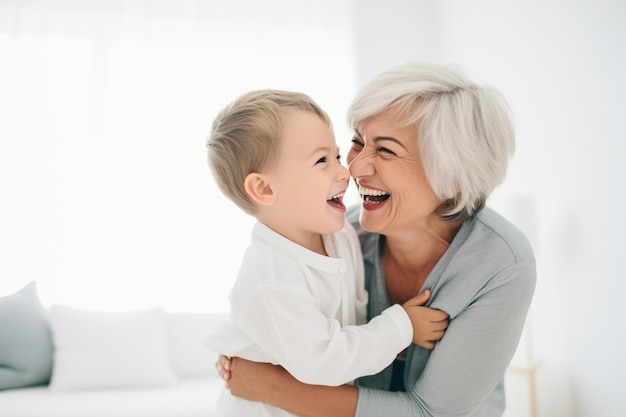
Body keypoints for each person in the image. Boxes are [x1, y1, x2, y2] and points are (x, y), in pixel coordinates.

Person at [216, 63, 537, 417]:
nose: (353, 168)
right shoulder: (341, 233)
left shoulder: (501, 263)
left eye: (385, 150)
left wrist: (271, 386)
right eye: (357, 143)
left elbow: (433, 413)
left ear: (452, 176)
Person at [204, 89, 449, 417]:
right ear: (264, 189)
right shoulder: (272, 279)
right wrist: (402, 328)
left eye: (336, 155)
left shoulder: (342, 237)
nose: (344, 172)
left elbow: (357, 321)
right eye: (321, 160)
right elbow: (326, 361)